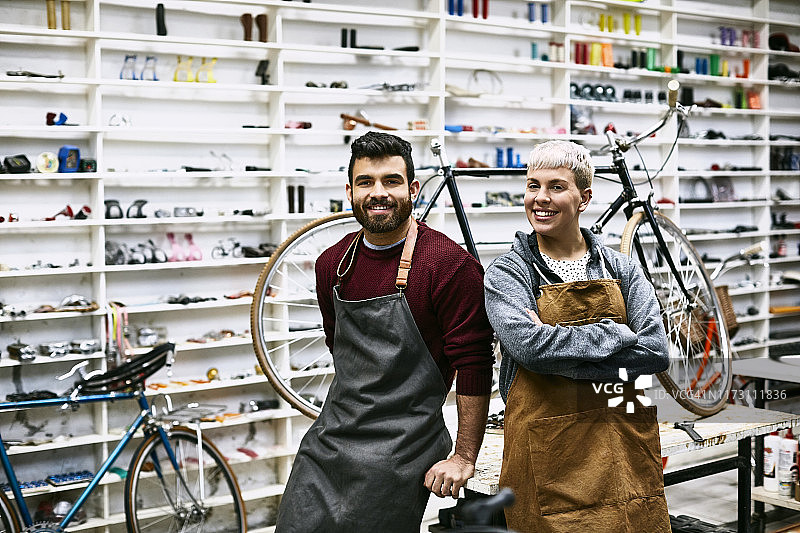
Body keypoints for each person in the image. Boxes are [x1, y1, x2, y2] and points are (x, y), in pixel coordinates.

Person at [275, 131, 495, 532]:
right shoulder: (331, 264)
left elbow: (475, 365)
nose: (379, 193)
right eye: (366, 182)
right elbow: (337, 345)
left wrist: (464, 456)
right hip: (331, 438)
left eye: (391, 181)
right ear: (350, 191)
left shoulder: (449, 266)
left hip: (402, 445)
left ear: (412, 188)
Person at [484, 140, 671, 533]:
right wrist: (613, 333)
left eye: (556, 186)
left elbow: (654, 351)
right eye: (533, 185)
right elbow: (533, 350)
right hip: (548, 454)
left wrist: (565, 360)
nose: (540, 198)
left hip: (623, 443)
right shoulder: (509, 273)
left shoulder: (621, 267)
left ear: (584, 197)